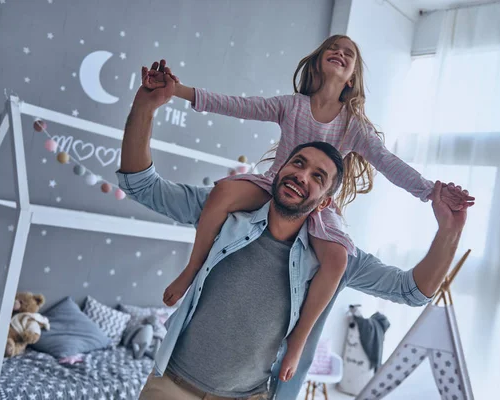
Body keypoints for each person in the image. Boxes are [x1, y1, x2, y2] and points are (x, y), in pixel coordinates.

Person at [117, 69, 470, 400]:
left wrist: (449, 232)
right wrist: (145, 106)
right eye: (298, 164)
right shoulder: (225, 213)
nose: (303, 176)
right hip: (171, 387)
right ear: (279, 170)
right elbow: (142, 186)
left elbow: (411, 291)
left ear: (324, 203)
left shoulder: (335, 257)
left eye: (319, 176)